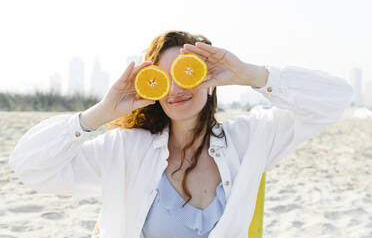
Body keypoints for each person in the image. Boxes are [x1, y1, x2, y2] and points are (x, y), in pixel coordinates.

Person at [8, 30, 354, 238]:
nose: (175, 88)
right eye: (162, 77)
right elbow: (28, 165)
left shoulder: (251, 138)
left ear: (207, 77)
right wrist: (102, 113)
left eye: (187, 72)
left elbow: (335, 99)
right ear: (150, 85)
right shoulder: (125, 148)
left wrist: (248, 74)